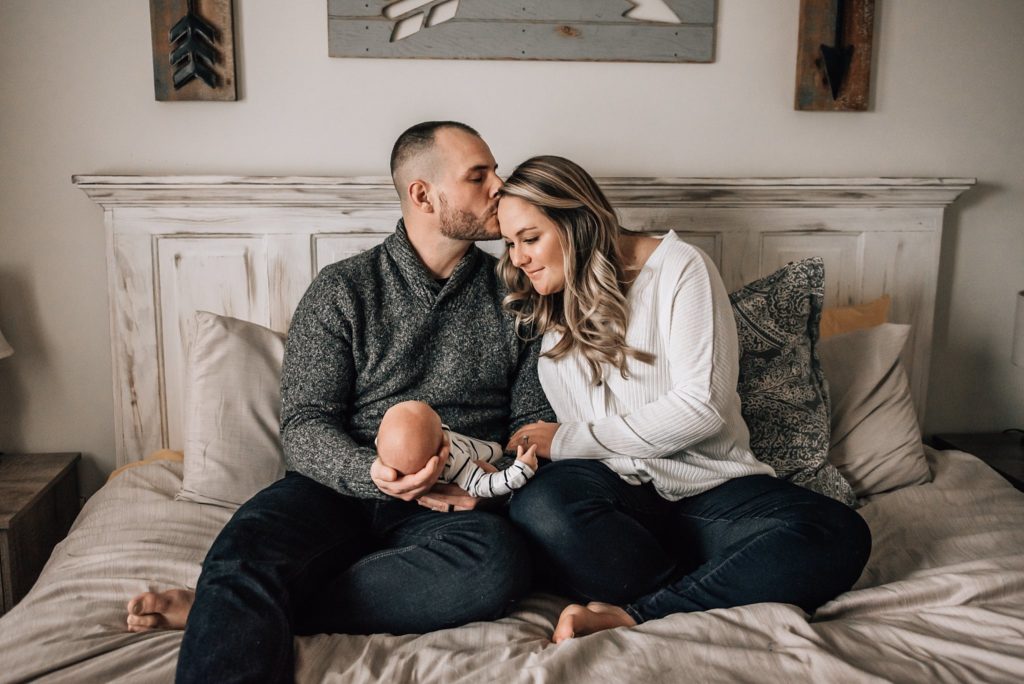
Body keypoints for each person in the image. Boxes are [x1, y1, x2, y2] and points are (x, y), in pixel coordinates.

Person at [125, 122, 556, 682]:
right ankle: (237, 599)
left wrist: (489, 487)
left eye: (495, 171)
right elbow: (304, 425)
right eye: (479, 175)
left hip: (454, 496)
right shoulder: (343, 289)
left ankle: (246, 608)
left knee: (495, 567)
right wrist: (370, 473)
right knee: (244, 552)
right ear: (422, 194)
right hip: (337, 488)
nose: (500, 185)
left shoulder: (518, 295)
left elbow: (530, 423)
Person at [495, 156, 872, 644]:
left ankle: (641, 612)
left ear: (579, 222)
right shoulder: (546, 299)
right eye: (508, 243)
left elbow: (703, 408)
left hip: (710, 489)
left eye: (529, 238)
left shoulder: (679, 267)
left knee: (840, 532)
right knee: (542, 506)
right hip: (616, 504)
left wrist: (568, 441)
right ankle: (716, 585)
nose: (518, 258)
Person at [376, 399, 539, 498]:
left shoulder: (387, 447)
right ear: (442, 445)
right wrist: (520, 470)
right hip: (489, 455)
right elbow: (485, 485)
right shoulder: (454, 464)